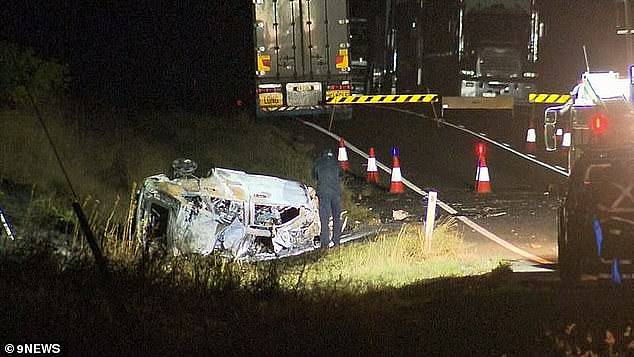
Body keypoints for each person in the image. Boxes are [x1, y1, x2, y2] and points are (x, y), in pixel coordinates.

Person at [312, 149, 343, 248]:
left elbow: (314, 175)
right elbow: (341, 174)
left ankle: (325, 242)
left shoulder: (319, 162)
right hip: (336, 193)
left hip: (323, 193)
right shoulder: (336, 163)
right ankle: (336, 240)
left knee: (324, 218)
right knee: (336, 217)